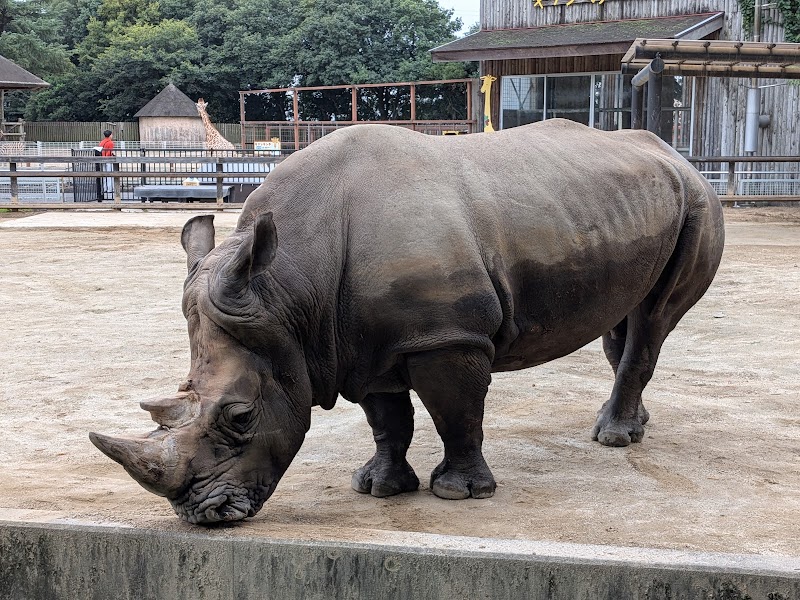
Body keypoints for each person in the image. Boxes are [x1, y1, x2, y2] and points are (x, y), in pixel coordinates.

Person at [98, 130, 114, 200]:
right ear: (110, 135)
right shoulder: (110, 142)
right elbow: (109, 151)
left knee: (104, 175)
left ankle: (104, 188)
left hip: (102, 159)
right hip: (108, 159)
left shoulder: (102, 142)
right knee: (110, 174)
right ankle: (110, 189)